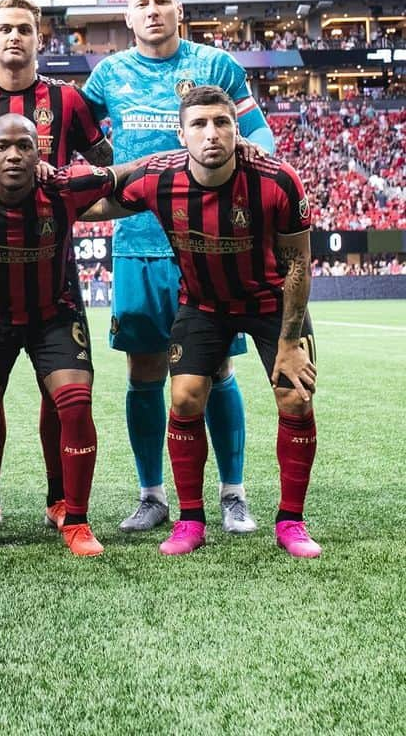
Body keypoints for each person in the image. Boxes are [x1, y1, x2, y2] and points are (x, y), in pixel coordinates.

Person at [85, 86, 321, 558]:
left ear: (237, 129)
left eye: (222, 122)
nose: (211, 133)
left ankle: (291, 521)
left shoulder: (278, 180)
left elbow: (298, 264)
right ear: (181, 134)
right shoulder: (160, 178)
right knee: (186, 396)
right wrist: (43, 191)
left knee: (296, 398)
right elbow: (97, 205)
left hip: (271, 302)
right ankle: (190, 520)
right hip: (203, 304)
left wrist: (291, 341)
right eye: (199, 124)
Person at [82, 0, 275, 534]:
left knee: (216, 368)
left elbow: (260, 137)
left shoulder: (216, 65)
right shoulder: (108, 76)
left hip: (211, 246)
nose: (152, 10)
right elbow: (84, 147)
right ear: (127, 17)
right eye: (141, 3)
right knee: (143, 370)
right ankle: (151, 494)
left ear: (180, 9)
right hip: (137, 246)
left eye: (162, 0)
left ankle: (233, 492)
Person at [0, 0, 112, 524]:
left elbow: (105, 165)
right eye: (4, 29)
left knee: (59, 393)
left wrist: (68, 197)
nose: (14, 37)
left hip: (52, 274)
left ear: (40, 39)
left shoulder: (69, 101)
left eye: (24, 29)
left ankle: (62, 501)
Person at [0, 115, 126, 556]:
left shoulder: (63, 189)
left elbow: (124, 174)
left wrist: (185, 159)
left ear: (41, 152)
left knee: (74, 402)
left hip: (52, 316)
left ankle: (75, 518)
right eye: (3, 147)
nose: (14, 155)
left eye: (24, 146)